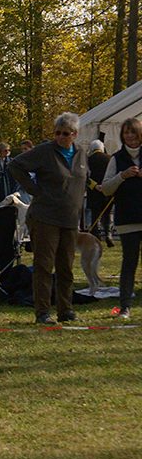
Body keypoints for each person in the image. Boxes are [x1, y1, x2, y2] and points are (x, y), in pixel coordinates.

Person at [10, 112, 88, 324]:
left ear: (75, 134)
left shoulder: (81, 153)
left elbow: (82, 180)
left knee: (66, 267)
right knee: (44, 266)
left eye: (66, 133)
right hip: (45, 217)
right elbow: (15, 166)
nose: (61, 137)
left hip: (70, 219)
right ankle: (43, 312)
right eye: (58, 133)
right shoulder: (44, 152)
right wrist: (35, 191)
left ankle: (66, 310)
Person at [101, 117, 142, 319]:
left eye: (133, 132)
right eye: (126, 132)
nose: (130, 136)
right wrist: (122, 176)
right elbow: (105, 188)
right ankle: (125, 307)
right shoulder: (116, 159)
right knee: (129, 263)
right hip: (127, 220)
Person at [87, 140, 114, 248]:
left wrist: (95, 185)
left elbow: (86, 177)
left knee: (95, 214)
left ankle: (96, 237)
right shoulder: (110, 158)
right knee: (108, 213)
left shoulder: (87, 160)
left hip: (94, 192)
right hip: (108, 191)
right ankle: (108, 235)